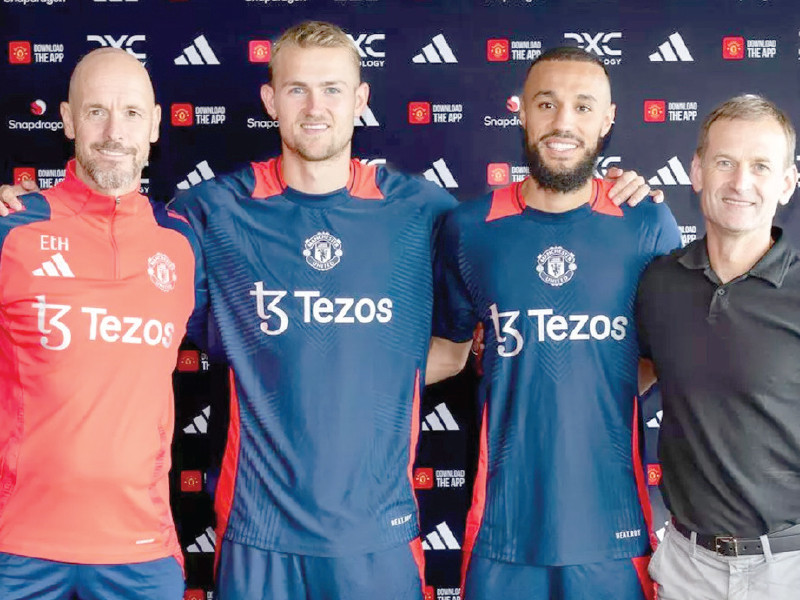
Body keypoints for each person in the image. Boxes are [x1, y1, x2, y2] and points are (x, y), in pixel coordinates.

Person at [0, 23, 653, 600]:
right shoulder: (211, 217)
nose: (316, 108)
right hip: (257, 535)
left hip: (378, 534)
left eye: (334, 90)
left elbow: (460, 342)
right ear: (270, 101)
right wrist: (25, 211)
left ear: (360, 101)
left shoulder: (425, 214)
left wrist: (616, 188)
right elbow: (122, 285)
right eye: (297, 90)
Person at [428, 46, 682, 600]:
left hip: (614, 529)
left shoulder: (647, 223)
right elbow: (447, 352)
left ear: (608, 119)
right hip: (503, 528)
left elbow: (664, 359)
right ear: (522, 112)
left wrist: (590, 378)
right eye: (547, 104)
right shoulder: (470, 227)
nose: (563, 122)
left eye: (583, 106)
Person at [0, 48, 206, 600]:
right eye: (96, 112)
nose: (115, 131)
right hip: (16, 549)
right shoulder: (13, 230)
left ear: (156, 125)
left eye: (133, 113)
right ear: (67, 120)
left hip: (141, 552)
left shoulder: (184, 243)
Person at [636, 95, 800, 600]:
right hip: (688, 567)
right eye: (724, 162)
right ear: (697, 171)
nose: (740, 182)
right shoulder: (658, 283)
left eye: (760, 166)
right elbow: (627, 375)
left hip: (788, 569)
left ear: (788, 183)